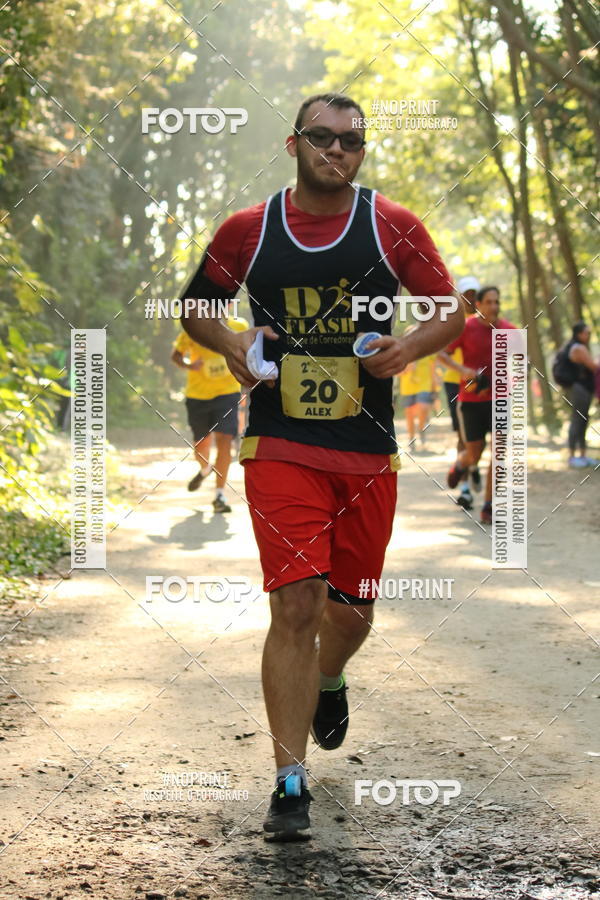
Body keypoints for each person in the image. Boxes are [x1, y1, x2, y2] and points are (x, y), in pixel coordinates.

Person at [180, 92, 464, 841]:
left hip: (367, 451)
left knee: (352, 610)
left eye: (351, 141)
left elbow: (449, 307)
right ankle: (288, 780)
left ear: (361, 152)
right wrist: (233, 342)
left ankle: (331, 679)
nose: (336, 150)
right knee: (297, 604)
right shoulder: (248, 230)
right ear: (293, 142)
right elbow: (197, 306)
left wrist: (410, 346)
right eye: (322, 137)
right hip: (279, 444)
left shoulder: (393, 225)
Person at [439, 285, 515, 524]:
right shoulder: (466, 327)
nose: (494, 306)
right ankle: (461, 465)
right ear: (478, 304)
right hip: (471, 401)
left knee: (499, 453)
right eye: (489, 302)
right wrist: (464, 372)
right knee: (474, 453)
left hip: (501, 399)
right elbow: (441, 354)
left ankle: (489, 505)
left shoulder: (508, 330)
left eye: (497, 302)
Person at [171, 304, 248, 512]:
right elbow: (176, 356)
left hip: (227, 393)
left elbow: (249, 352)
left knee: (225, 441)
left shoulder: (239, 326)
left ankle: (219, 496)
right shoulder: (193, 329)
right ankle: (205, 469)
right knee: (201, 445)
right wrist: (189, 365)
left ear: (230, 305)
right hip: (198, 396)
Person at [440, 276, 481, 509]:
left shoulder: (485, 320)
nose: (471, 298)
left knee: (478, 438)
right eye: (467, 294)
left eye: (474, 294)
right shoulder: (451, 319)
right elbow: (440, 351)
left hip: (478, 385)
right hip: (454, 383)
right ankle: (465, 488)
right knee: (462, 436)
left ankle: (472, 466)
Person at [563, 321, 599, 467]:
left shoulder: (576, 346)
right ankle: (572, 456)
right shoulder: (578, 348)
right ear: (579, 334)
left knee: (582, 419)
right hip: (579, 389)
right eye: (587, 333)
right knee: (577, 419)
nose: (589, 336)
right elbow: (593, 366)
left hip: (583, 388)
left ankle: (582, 455)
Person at [398, 352, 436, 451]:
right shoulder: (404, 349)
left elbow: (433, 370)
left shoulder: (429, 350)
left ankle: (421, 428)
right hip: (407, 388)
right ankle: (411, 438)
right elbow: (397, 372)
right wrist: (407, 369)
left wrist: (434, 388)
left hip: (424, 385)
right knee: (410, 415)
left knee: (423, 408)